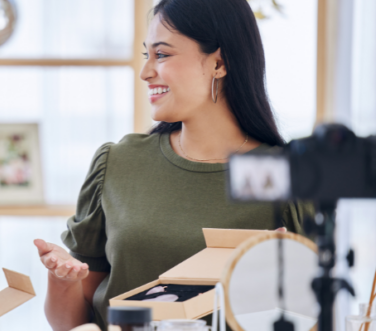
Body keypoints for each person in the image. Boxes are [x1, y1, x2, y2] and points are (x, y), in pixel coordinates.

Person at [33, 0, 311, 330]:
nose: (145, 71)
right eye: (145, 54)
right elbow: (72, 324)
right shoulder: (118, 163)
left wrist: (281, 278)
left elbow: (314, 316)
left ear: (219, 63)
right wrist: (62, 280)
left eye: (162, 54)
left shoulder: (288, 177)